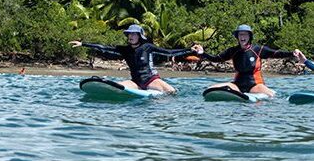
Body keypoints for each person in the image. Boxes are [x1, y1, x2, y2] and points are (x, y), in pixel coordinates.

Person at [71, 24, 201, 94]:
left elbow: (169, 52)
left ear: (140, 36)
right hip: (136, 82)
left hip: (151, 80)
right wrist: (83, 44)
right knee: (118, 87)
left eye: (134, 34)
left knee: (172, 93)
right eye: (129, 34)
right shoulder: (125, 50)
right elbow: (104, 47)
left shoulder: (147, 47)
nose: (130, 36)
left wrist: (190, 50)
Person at [196, 24, 300, 98]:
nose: (243, 37)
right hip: (237, 85)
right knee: (209, 89)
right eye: (240, 35)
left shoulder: (258, 49)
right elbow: (216, 58)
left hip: (255, 85)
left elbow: (277, 53)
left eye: (245, 34)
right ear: (237, 37)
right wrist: (202, 53)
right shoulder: (233, 51)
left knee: (271, 96)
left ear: (249, 36)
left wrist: (292, 53)